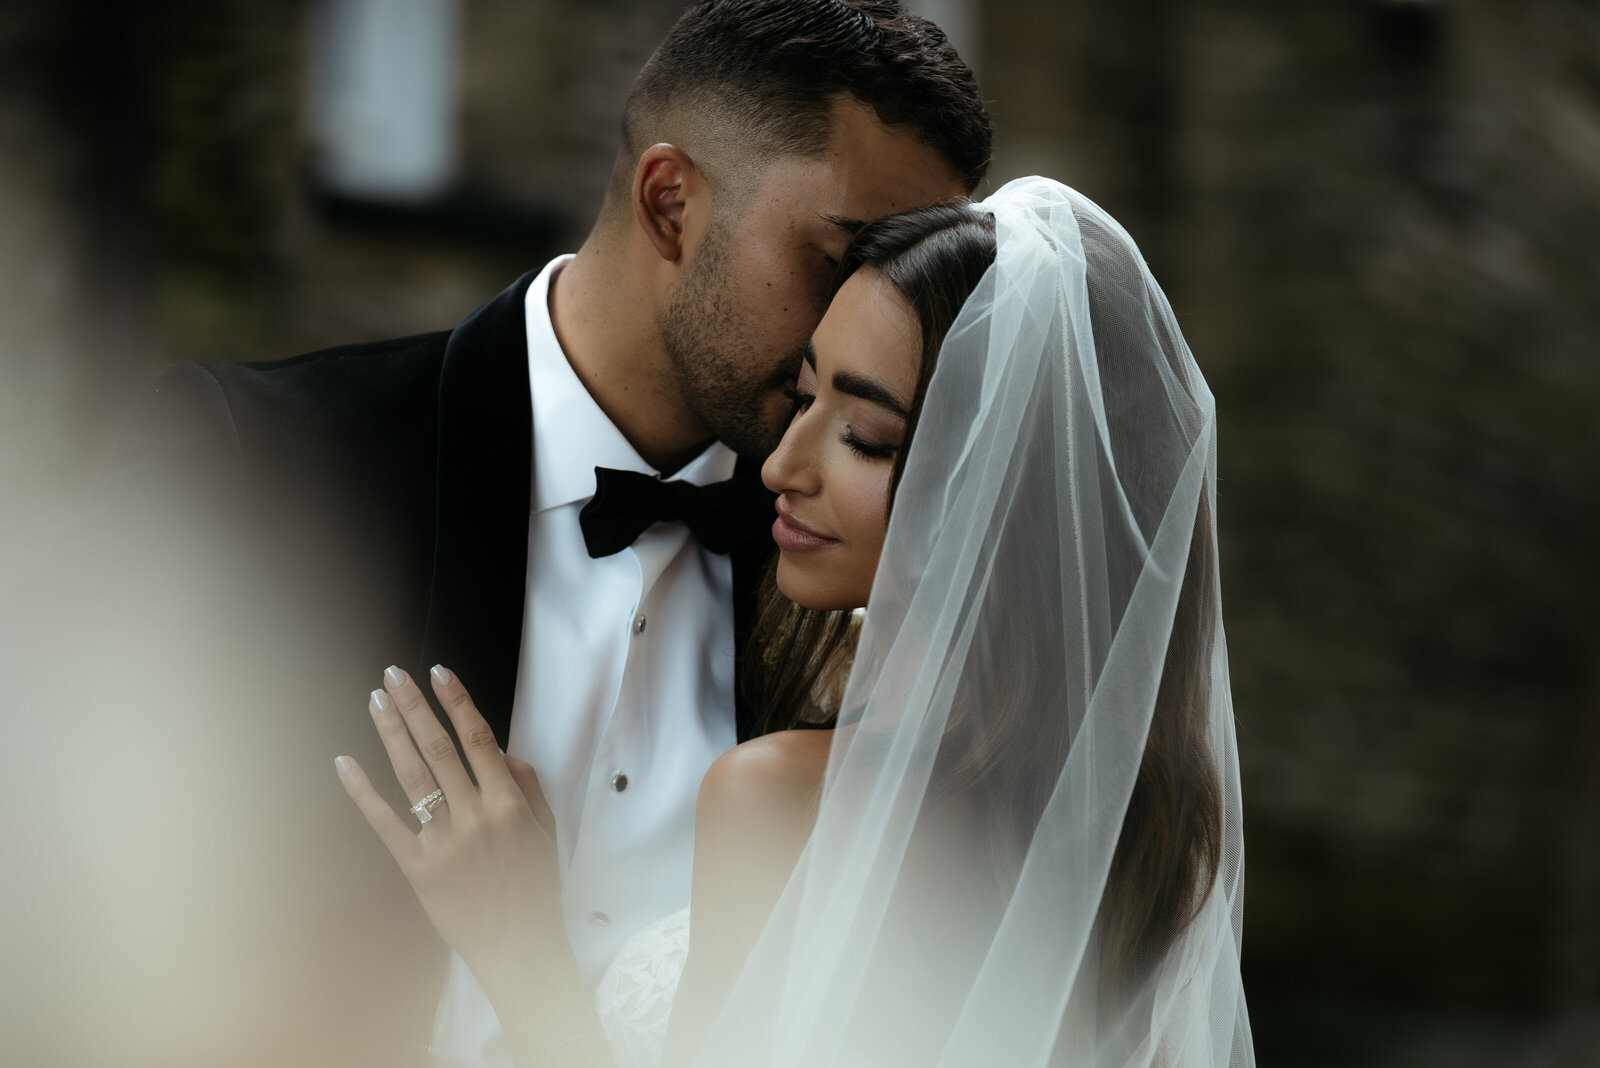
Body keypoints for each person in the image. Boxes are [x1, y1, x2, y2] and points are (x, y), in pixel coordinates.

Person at [0, 3, 989, 1065]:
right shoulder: (252, 465)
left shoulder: (869, 593)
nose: (868, 322)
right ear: (670, 206)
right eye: (840, 259)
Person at [339, 177, 1255, 1067]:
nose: (781, 464)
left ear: (1001, 491)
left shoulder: (778, 801)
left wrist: (517, 952)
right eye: (804, 397)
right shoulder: (1154, 828)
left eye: (865, 437)